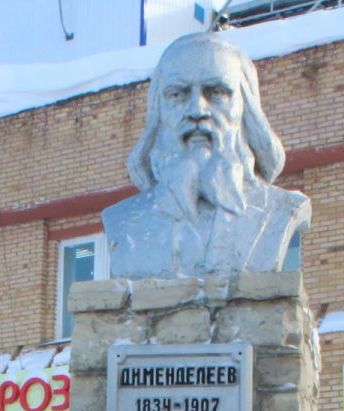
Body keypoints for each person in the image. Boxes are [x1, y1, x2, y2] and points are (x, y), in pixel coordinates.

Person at [102, 31, 310, 278]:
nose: (197, 110)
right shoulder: (124, 222)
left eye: (217, 92)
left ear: (246, 108)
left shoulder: (282, 209)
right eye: (177, 94)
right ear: (159, 111)